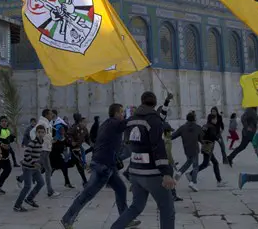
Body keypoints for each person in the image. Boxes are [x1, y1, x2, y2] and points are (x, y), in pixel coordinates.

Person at [61, 104, 140, 229]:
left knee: (121, 189)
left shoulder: (107, 124)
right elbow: (128, 122)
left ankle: (125, 219)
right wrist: (136, 112)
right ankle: (67, 219)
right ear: (116, 113)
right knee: (88, 194)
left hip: (107, 164)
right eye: (121, 112)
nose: (123, 115)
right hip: (104, 166)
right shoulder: (114, 123)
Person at [111, 92, 175, 229]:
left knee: (136, 207)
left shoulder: (132, 120)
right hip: (151, 173)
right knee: (167, 208)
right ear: (154, 103)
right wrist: (166, 173)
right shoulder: (153, 119)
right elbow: (158, 146)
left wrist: (167, 101)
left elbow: (129, 143)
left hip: (135, 172)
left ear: (141, 101)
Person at [13, 125, 46, 212]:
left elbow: (38, 155)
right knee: (27, 186)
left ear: (45, 133)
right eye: (39, 132)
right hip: (28, 167)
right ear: (36, 133)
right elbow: (26, 154)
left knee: (41, 183)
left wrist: (39, 163)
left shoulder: (41, 142)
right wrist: (33, 163)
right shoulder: (33, 142)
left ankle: (29, 199)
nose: (41, 134)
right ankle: (17, 205)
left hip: (35, 168)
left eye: (42, 132)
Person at [31, 109, 60, 198]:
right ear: (46, 115)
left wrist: (52, 140)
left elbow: (46, 135)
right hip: (42, 149)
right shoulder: (42, 123)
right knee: (38, 168)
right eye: (51, 114)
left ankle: (50, 191)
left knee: (48, 169)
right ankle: (21, 178)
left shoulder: (47, 123)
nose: (52, 115)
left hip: (46, 149)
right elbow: (34, 133)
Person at [171, 112, 202, 192]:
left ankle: (180, 172)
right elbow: (202, 139)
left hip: (187, 149)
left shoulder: (182, 128)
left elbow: (173, 136)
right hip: (195, 149)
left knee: (189, 161)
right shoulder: (198, 127)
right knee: (195, 166)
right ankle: (193, 182)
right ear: (194, 119)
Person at [197, 114, 228, 187]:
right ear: (212, 119)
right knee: (205, 164)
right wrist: (218, 139)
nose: (216, 120)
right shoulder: (212, 127)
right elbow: (212, 135)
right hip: (209, 146)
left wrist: (202, 141)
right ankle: (191, 174)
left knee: (215, 162)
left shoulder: (205, 126)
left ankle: (219, 181)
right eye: (215, 119)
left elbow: (200, 135)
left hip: (205, 145)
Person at [67, 113, 89, 186]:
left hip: (78, 148)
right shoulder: (74, 127)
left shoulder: (84, 129)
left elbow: (87, 139)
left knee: (72, 164)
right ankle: (85, 181)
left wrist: (93, 145)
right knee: (79, 164)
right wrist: (72, 141)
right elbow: (69, 134)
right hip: (73, 149)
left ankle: (58, 166)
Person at [162, 123, 182, 202]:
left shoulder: (161, 139)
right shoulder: (168, 141)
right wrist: (172, 163)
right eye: (169, 132)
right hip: (167, 162)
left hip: (161, 162)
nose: (171, 133)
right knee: (171, 179)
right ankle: (173, 195)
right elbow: (168, 153)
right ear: (166, 132)